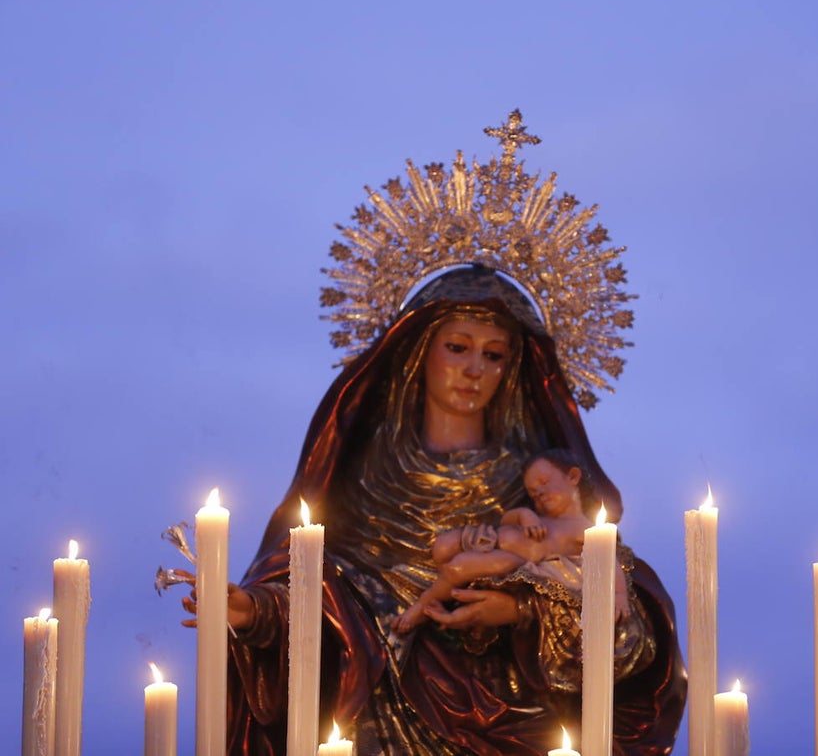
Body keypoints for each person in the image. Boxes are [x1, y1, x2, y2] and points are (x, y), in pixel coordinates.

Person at [182, 265, 686, 755]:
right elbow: (325, 596)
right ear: (419, 352)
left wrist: (521, 610)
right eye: (458, 347)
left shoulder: (536, 485)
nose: (474, 370)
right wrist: (256, 614)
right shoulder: (359, 479)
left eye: (494, 355)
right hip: (379, 711)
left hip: (513, 715)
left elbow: (612, 598)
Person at [395, 448, 631, 634]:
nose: (537, 492)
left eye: (544, 482)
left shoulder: (586, 530)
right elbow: (508, 519)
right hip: (488, 539)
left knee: (459, 566)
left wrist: (619, 597)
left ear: (573, 476)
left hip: (513, 560)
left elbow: (608, 563)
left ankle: (420, 608)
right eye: (532, 491)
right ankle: (442, 592)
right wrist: (525, 515)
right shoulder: (536, 517)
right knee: (442, 546)